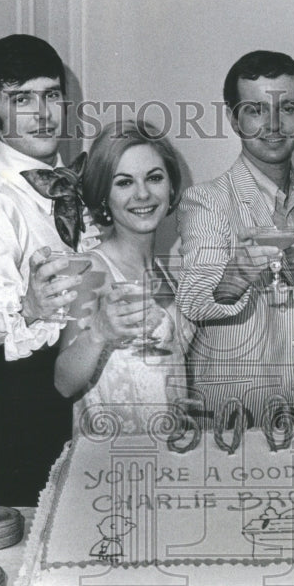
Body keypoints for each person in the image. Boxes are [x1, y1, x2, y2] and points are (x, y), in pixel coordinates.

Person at [0, 34, 100, 506]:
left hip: (82, 401)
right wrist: (29, 306)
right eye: (21, 98)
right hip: (18, 424)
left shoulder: (79, 186)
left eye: (51, 95)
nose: (42, 113)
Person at [176, 50, 294, 427]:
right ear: (234, 119)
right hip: (230, 417)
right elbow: (195, 298)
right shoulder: (207, 201)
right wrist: (238, 272)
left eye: (287, 108)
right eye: (256, 110)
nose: (274, 124)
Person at [54, 121, 188, 434]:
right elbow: (62, 383)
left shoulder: (167, 273)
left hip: (168, 456)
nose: (142, 194)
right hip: (111, 464)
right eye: (124, 183)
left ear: (170, 186)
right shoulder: (89, 268)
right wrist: (98, 331)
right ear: (104, 195)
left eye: (154, 178)